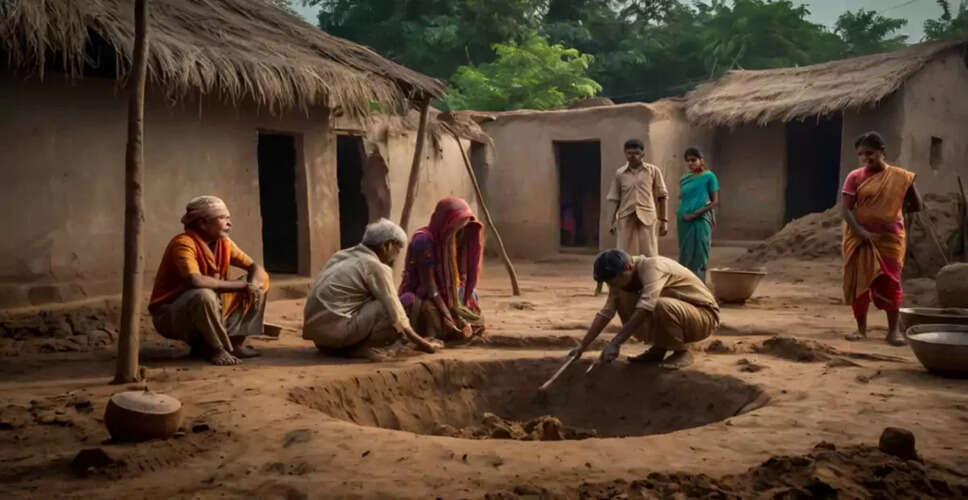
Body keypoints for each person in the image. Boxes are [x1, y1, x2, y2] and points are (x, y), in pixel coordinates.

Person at [149, 195, 269, 366]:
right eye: (222, 218)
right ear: (202, 223)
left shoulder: (224, 243)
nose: (229, 223)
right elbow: (195, 281)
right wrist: (244, 286)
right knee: (203, 295)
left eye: (228, 218)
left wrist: (254, 285)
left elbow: (254, 266)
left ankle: (233, 343)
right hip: (170, 314)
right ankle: (216, 349)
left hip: (210, 305)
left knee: (261, 279)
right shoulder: (183, 244)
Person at [303, 219, 441, 360]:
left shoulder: (341, 255)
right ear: (387, 245)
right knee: (390, 307)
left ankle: (344, 346)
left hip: (319, 339)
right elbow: (399, 317)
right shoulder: (376, 266)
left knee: (376, 299)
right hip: (337, 335)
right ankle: (359, 348)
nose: (396, 256)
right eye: (397, 250)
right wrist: (425, 345)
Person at [569, 249, 719, 370]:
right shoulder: (621, 276)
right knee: (624, 297)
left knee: (656, 305)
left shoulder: (652, 267)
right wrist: (582, 346)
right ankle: (659, 348)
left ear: (628, 267)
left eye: (614, 282)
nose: (612, 286)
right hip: (679, 313)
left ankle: (681, 351)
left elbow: (645, 309)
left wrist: (615, 343)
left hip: (703, 316)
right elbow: (605, 314)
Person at [842, 131, 922, 346]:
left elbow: (917, 205)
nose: (865, 158)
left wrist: (892, 210)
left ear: (882, 152)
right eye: (861, 154)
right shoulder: (854, 177)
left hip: (890, 239)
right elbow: (846, 210)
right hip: (860, 239)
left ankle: (893, 332)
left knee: (890, 282)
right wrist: (861, 231)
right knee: (860, 283)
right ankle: (861, 330)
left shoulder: (901, 177)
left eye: (870, 153)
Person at [399, 197, 486, 341]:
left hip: (446, 293)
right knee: (431, 315)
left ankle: (453, 328)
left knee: (473, 304)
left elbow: (458, 280)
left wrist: (458, 310)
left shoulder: (450, 239)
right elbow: (429, 285)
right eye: (456, 224)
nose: (458, 229)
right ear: (445, 220)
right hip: (425, 294)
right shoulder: (423, 240)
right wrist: (447, 314)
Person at [607, 139, 669, 257]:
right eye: (629, 153)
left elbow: (663, 196)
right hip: (626, 215)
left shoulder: (653, 171)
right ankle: (627, 269)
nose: (633, 156)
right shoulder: (620, 173)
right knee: (624, 253)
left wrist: (664, 221)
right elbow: (615, 198)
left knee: (649, 253)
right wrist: (612, 221)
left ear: (642, 154)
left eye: (636, 153)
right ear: (625, 153)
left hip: (647, 216)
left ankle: (649, 269)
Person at [677, 147, 720, 281]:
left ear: (701, 160)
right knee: (685, 253)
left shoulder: (709, 176)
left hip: (700, 219)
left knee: (700, 254)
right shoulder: (685, 178)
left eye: (693, 160)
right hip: (683, 219)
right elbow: (683, 196)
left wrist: (694, 214)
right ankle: (685, 284)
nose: (690, 163)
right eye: (688, 161)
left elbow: (714, 202)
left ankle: (699, 285)